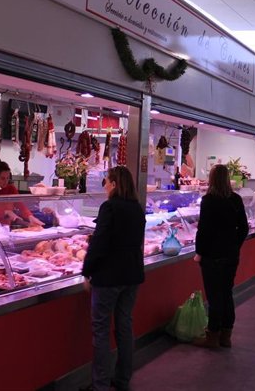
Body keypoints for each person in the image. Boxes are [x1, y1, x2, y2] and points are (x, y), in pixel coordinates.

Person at [81, 166, 145, 391]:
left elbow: (100, 244)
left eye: (106, 182)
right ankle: (122, 379)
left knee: (100, 331)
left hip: (108, 276)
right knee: (124, 327)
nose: (105, 186)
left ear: (115, 184)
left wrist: (87, 271)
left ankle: (100, 385)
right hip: (132, 274)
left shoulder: (109, 207)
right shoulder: (136, 207)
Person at [193, 164, 249, 349]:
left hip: (212, 256)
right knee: (226, 294)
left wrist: (199, 252)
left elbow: (203, 230)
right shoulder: (236, 199)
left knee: (214, 297)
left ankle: (212, 337)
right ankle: (226, 336)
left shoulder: (209, 200)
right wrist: (235, 246)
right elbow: (244, 228)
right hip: (231, 256)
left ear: (211, 179)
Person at [0, 158, 44, 233]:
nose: (6, 181)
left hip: (3, 232)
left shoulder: (11, 189)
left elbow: (21, 206)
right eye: (2, 178)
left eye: (7, 178)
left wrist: (30, 217)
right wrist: (5, 212)